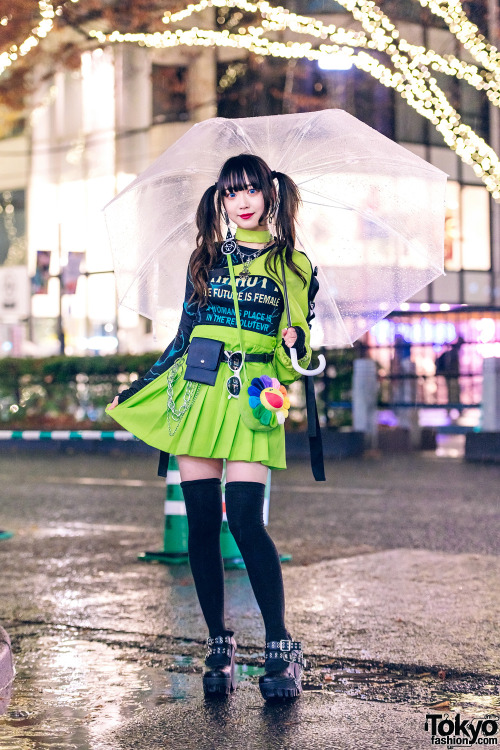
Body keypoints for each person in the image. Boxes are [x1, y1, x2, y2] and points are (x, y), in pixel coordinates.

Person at [107, 153, 318, 701]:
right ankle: (217, 641)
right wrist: (139, 387)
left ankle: (279, 643)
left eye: (250, 190)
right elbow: (182, 336)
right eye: (231, 193)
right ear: (221, 201)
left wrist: (295, 341)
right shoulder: (204, 259)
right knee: (202, 522)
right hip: (198, 393)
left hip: (253, 397)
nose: (241, 201)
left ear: (269, 195)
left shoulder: (293, 265)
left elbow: (299, 351)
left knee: (246, 521)